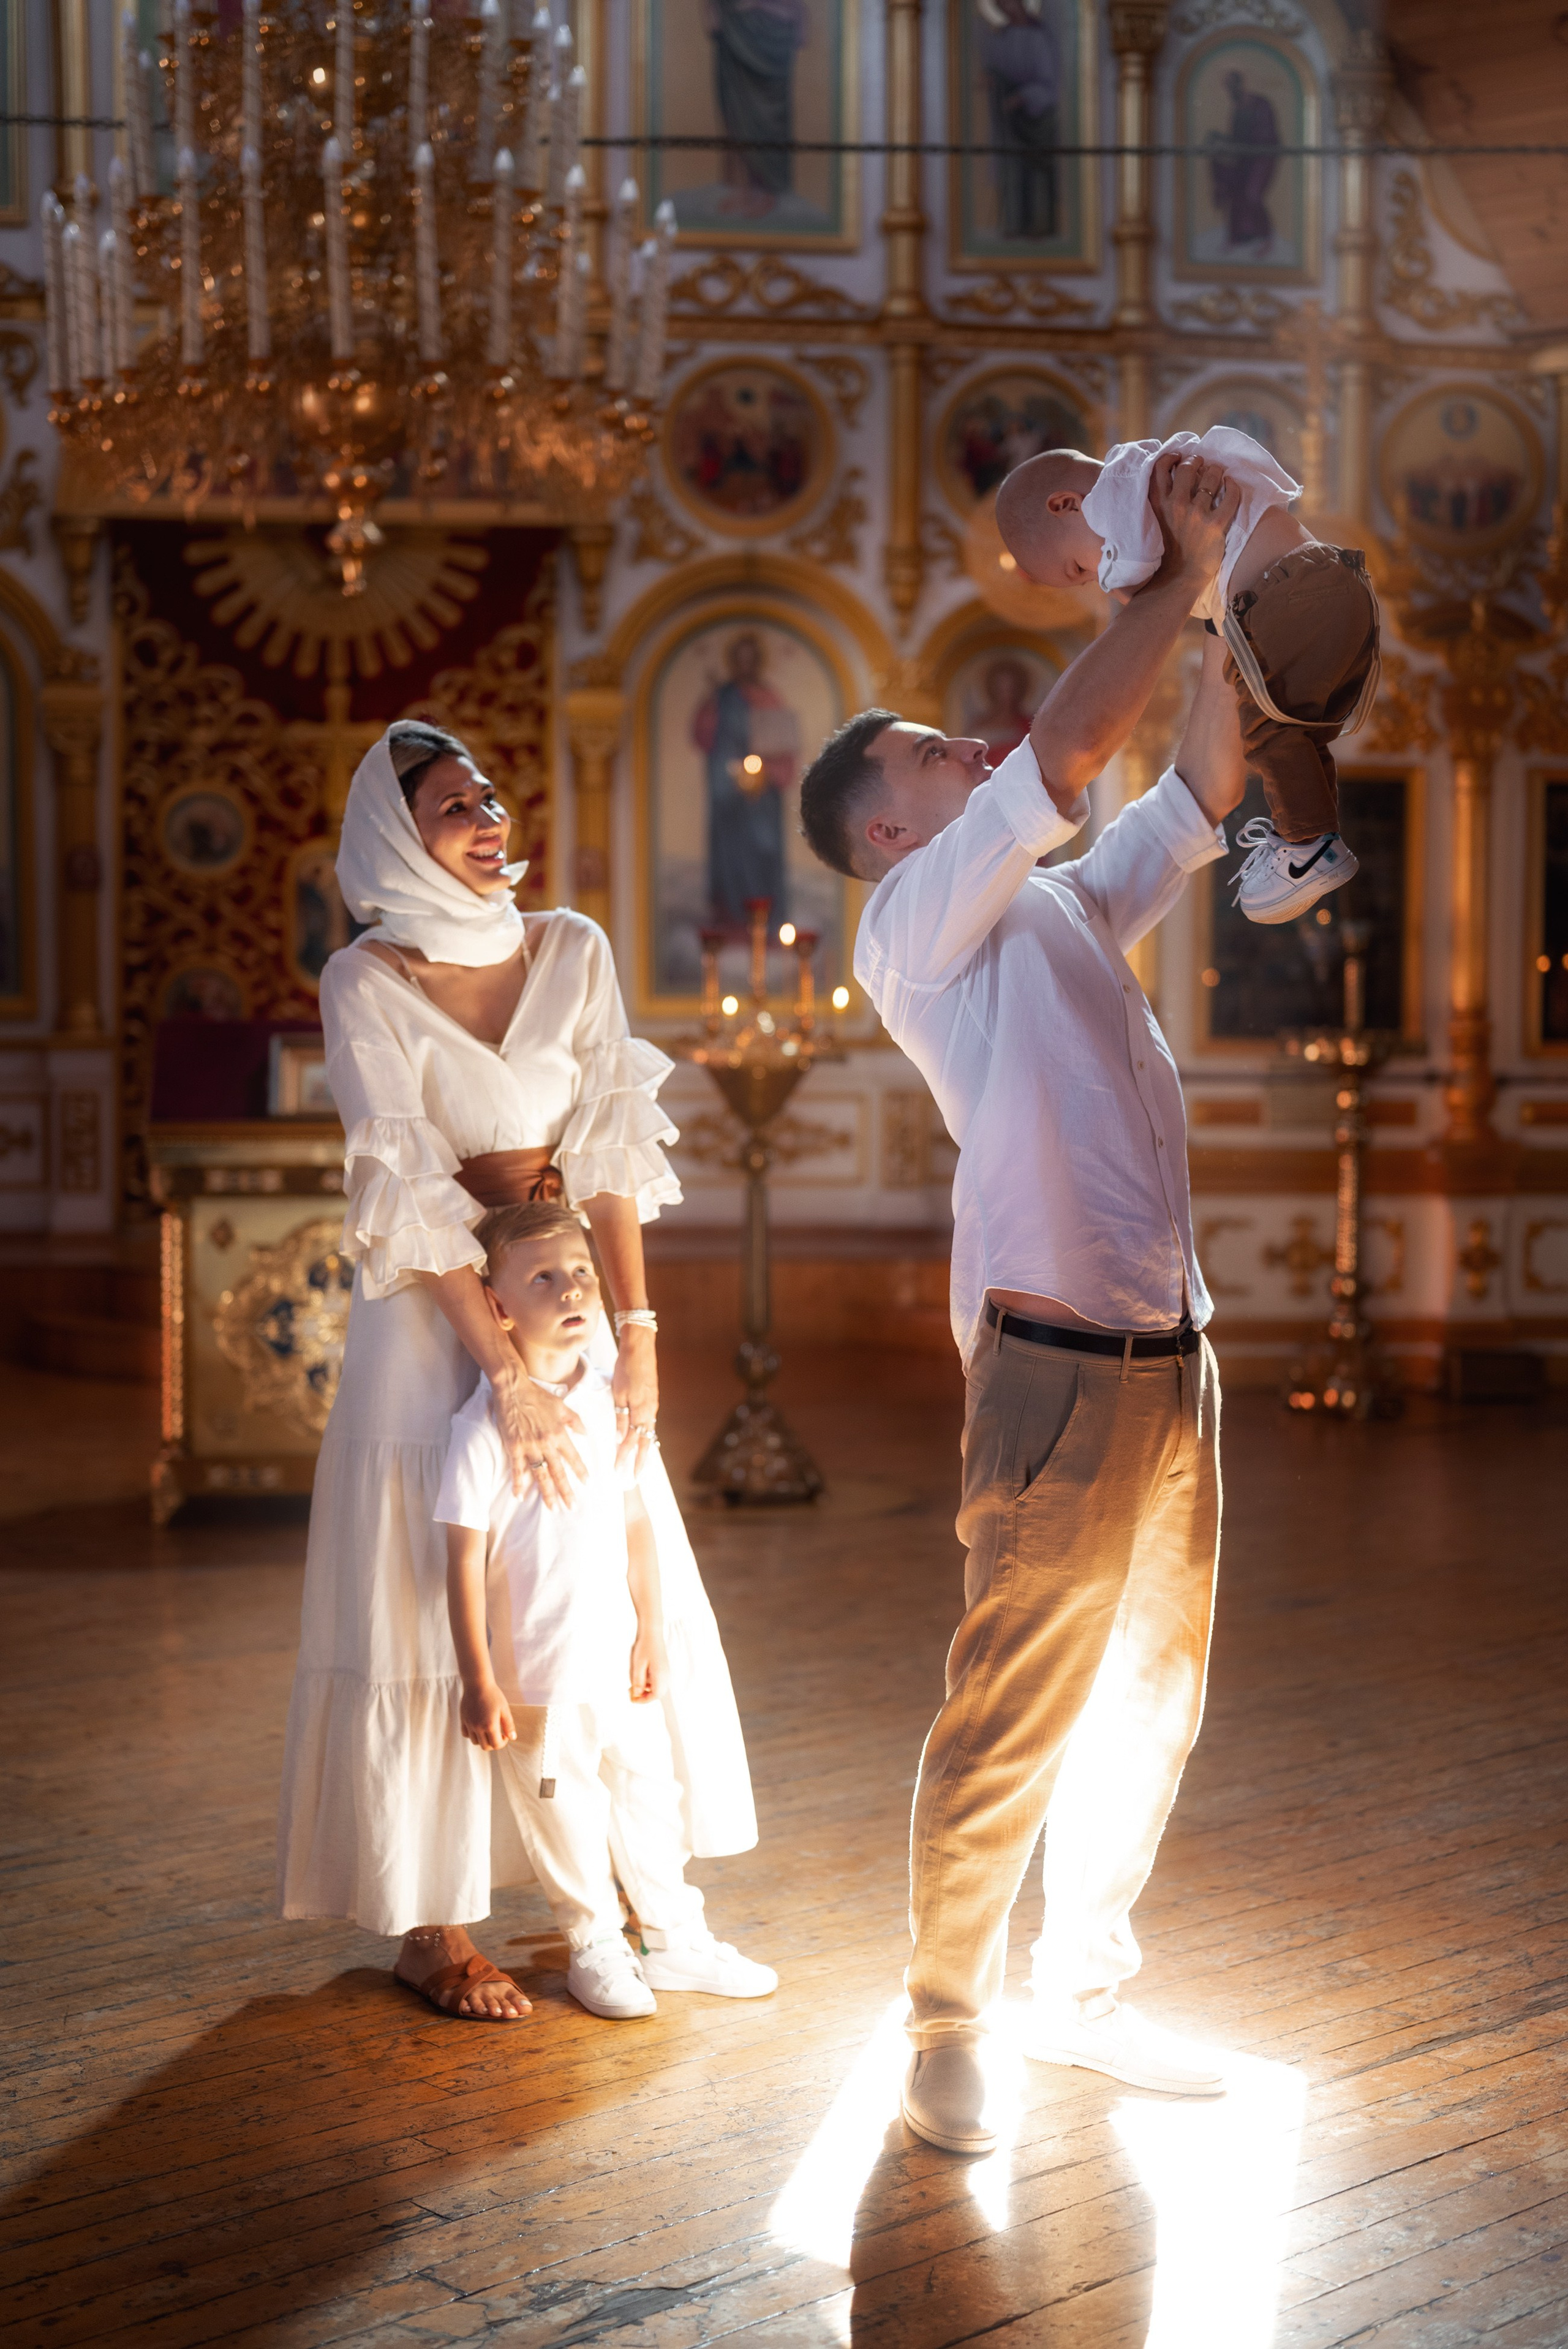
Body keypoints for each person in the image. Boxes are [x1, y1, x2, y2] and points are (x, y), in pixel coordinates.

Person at [797, 451, 1248, 2154]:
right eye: (932, 754)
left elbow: (1197, 792)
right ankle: (943, 2025)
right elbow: (1064, 754)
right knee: (1010, 1704)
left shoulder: (1058, 906)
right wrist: (1163, 575)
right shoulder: (914, 927)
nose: (968, 749)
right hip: (1056, 1364)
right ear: (894, 831)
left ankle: (1086, 1991)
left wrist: (1227, 605)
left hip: (1174, 1351)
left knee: (1152, 1702)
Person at [277, 722, 756, 2019]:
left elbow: (605, 1160)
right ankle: (430, 1927)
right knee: (414, 1584)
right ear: (393, 835)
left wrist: (635, 1344)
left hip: (565, 1307)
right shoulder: (363, 975)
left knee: (598, 1569)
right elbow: (408, 1194)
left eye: (487, 795)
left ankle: (631, 1901)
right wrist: (505, 1377)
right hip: (430, 1320)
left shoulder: (576, 948)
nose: (488, 819)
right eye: (449, 807)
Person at [438, 1199, 778, 2020]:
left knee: (649, 1791)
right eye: (543, 1277)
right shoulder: (484, 1429)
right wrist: (478, 1678)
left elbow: (636, 1521)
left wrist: (653, 1628)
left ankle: (672, 1934)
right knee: (567, 1810)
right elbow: (462, 1559)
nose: (570, 1289)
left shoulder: (612, 1399)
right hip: (540, 1672)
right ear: (496, 1304)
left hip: (620, 1660)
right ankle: (594, 1941)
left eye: (582, 1271)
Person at [995, 426, 1380, 925]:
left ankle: (1307, 844)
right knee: (1300, 732)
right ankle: (1313, 832)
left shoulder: (1116, 503)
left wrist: (1127, 595)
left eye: (1078, 569)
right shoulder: (1152, 464)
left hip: (1283, 598)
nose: (1094, 576)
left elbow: (1141, 582)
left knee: (1266, 732)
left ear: (1066, 504)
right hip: (1338, 582)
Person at [979, 0, 1060, 242]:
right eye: (1000, 3)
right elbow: (993, 71)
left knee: (1036, 172)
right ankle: (1013, 223)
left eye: (1009, 1)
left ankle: (1040, 224)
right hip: (1009, 119)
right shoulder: (999, 38)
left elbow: (1050, 83)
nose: (1005, 7)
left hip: (1036, 119)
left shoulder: (1041, 39)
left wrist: (1023, 97)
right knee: (1012, 169)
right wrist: (991, 79)